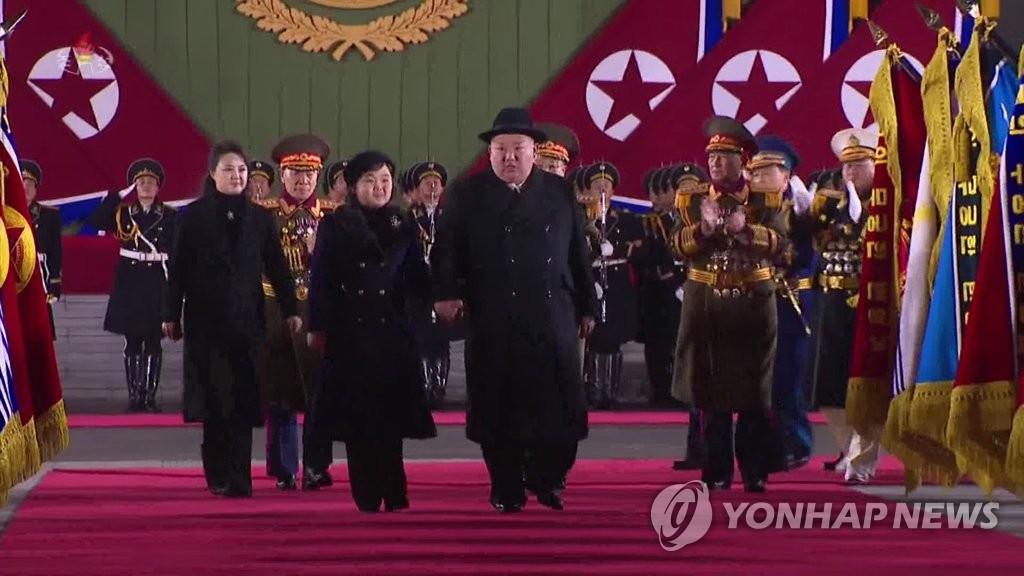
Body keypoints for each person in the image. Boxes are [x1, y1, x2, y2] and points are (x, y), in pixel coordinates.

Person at [431, 107, 598, 512]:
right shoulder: (468, 194)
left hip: (553, 311)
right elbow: (446, 252)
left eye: (518, 149)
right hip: (493, 314)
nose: (509, 157)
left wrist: (588, 306)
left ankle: (550, 478)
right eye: (500, 149)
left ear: (533, 152)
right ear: (489, 154)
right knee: (497, 404)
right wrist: (446, 293)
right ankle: (505, 485)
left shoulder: (559, 193)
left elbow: (579, 253)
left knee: (559, 402)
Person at [163, 140, 301, 498]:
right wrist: (170, 315)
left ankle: (241, 477)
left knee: (243, 400)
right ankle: (218, 473)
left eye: (242, 170)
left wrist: (291, 310)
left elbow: (278, 268)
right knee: (214, 402)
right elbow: (176, 270)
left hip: (246, 323)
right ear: (212, 174)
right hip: (206, 323)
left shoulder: (259, 218)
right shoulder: (191, 217)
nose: (238, 176)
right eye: (229, 169)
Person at [306, 150, 437, 512]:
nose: (380, 187)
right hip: (351, 333)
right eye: (370, 180)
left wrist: (448, 292)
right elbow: (322, 281)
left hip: (392, 332)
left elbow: (417, 278)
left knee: (391, 417)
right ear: (353, 186)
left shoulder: (402, 222)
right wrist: (317, 326)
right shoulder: (336, 224)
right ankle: (366, 492)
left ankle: (395, 491)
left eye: (385, 180)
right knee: (358, 419)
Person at [669, 116, 790, 493]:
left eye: (725, 156)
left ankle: (755, 471)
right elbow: (676, 245)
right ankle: (716, 471)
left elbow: (781, 245)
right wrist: (703, 231)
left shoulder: (766, 199)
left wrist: (745, 231)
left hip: (753, 308)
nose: (716, 163)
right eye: (712, 157)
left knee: (755, 395)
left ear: (743, 161)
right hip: (706, 308)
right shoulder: (691, 200)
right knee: (709, 395)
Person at [257, 134, 340, 491]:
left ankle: (317, 466)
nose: (302, 181)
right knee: (281, 395)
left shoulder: (334, 216)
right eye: (295, 174)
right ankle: (285, 468)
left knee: (321, 393)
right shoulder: (265, 216)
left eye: (309, 175)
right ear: (282, 175)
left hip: (320, 310)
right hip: (275, 309)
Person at [805, 128, 879, 484]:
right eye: (846, 166)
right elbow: (806, 241)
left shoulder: (888, 202)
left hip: (874, 301)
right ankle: (849, 446)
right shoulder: (830, 204)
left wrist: (861, 218)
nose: (851, 173)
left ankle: (863, 458)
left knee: (869, 382)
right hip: (833, 299)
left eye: (859, 164)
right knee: (828, 384)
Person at [88, 158, 178, 413]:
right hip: (130, 279)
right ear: (134, 187)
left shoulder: (170, 215)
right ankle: (134, 396)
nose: (146, 186)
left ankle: (148, 396)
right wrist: (117, 196)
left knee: (153, 340)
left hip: (157, 281)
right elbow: (96, 220)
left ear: (158, 187)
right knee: (131, 341)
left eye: (151, 182)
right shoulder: (123, 212)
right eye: (141, 183)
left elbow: (180, 249)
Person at [748, 136, 816, 472]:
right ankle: (764, 447)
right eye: (755, 171)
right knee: (757, 379)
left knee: (788, 376)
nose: (757, 177)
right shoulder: (749, 208)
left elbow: (808, 257)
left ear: (786, 175)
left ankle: (796, 443)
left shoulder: (800, 209)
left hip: (790, 300)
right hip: (753, 300)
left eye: (766, 171)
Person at [578, 162, 640, 408]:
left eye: (607, 186)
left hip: (616, 281)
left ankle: (610, 390)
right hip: (592, 278)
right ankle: (593, 388)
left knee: (613, 337)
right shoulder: (581, 215)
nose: (602, 190)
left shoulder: (625, 219)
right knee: (593, 337)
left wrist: (619, 249)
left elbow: (639, 248)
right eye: (597, 186)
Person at [401, 160, 452, 409]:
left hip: (442, 286)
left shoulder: (449, 218)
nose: (433, 187)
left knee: (440, 337)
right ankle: (423, 385)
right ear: (417, 189)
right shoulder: (408, 219)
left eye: (437, 183)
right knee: (420, 335)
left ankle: (438, 385)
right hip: (416, 287)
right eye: (426, 183)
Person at [22, 159, 63, 340]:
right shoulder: (5, 213)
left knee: (39, 331)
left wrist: (55, 281)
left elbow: (55, 249)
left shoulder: (49, 215)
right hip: (9, 276)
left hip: (39, 275)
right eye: (22, 183)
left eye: (30, 184)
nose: (26, 188)